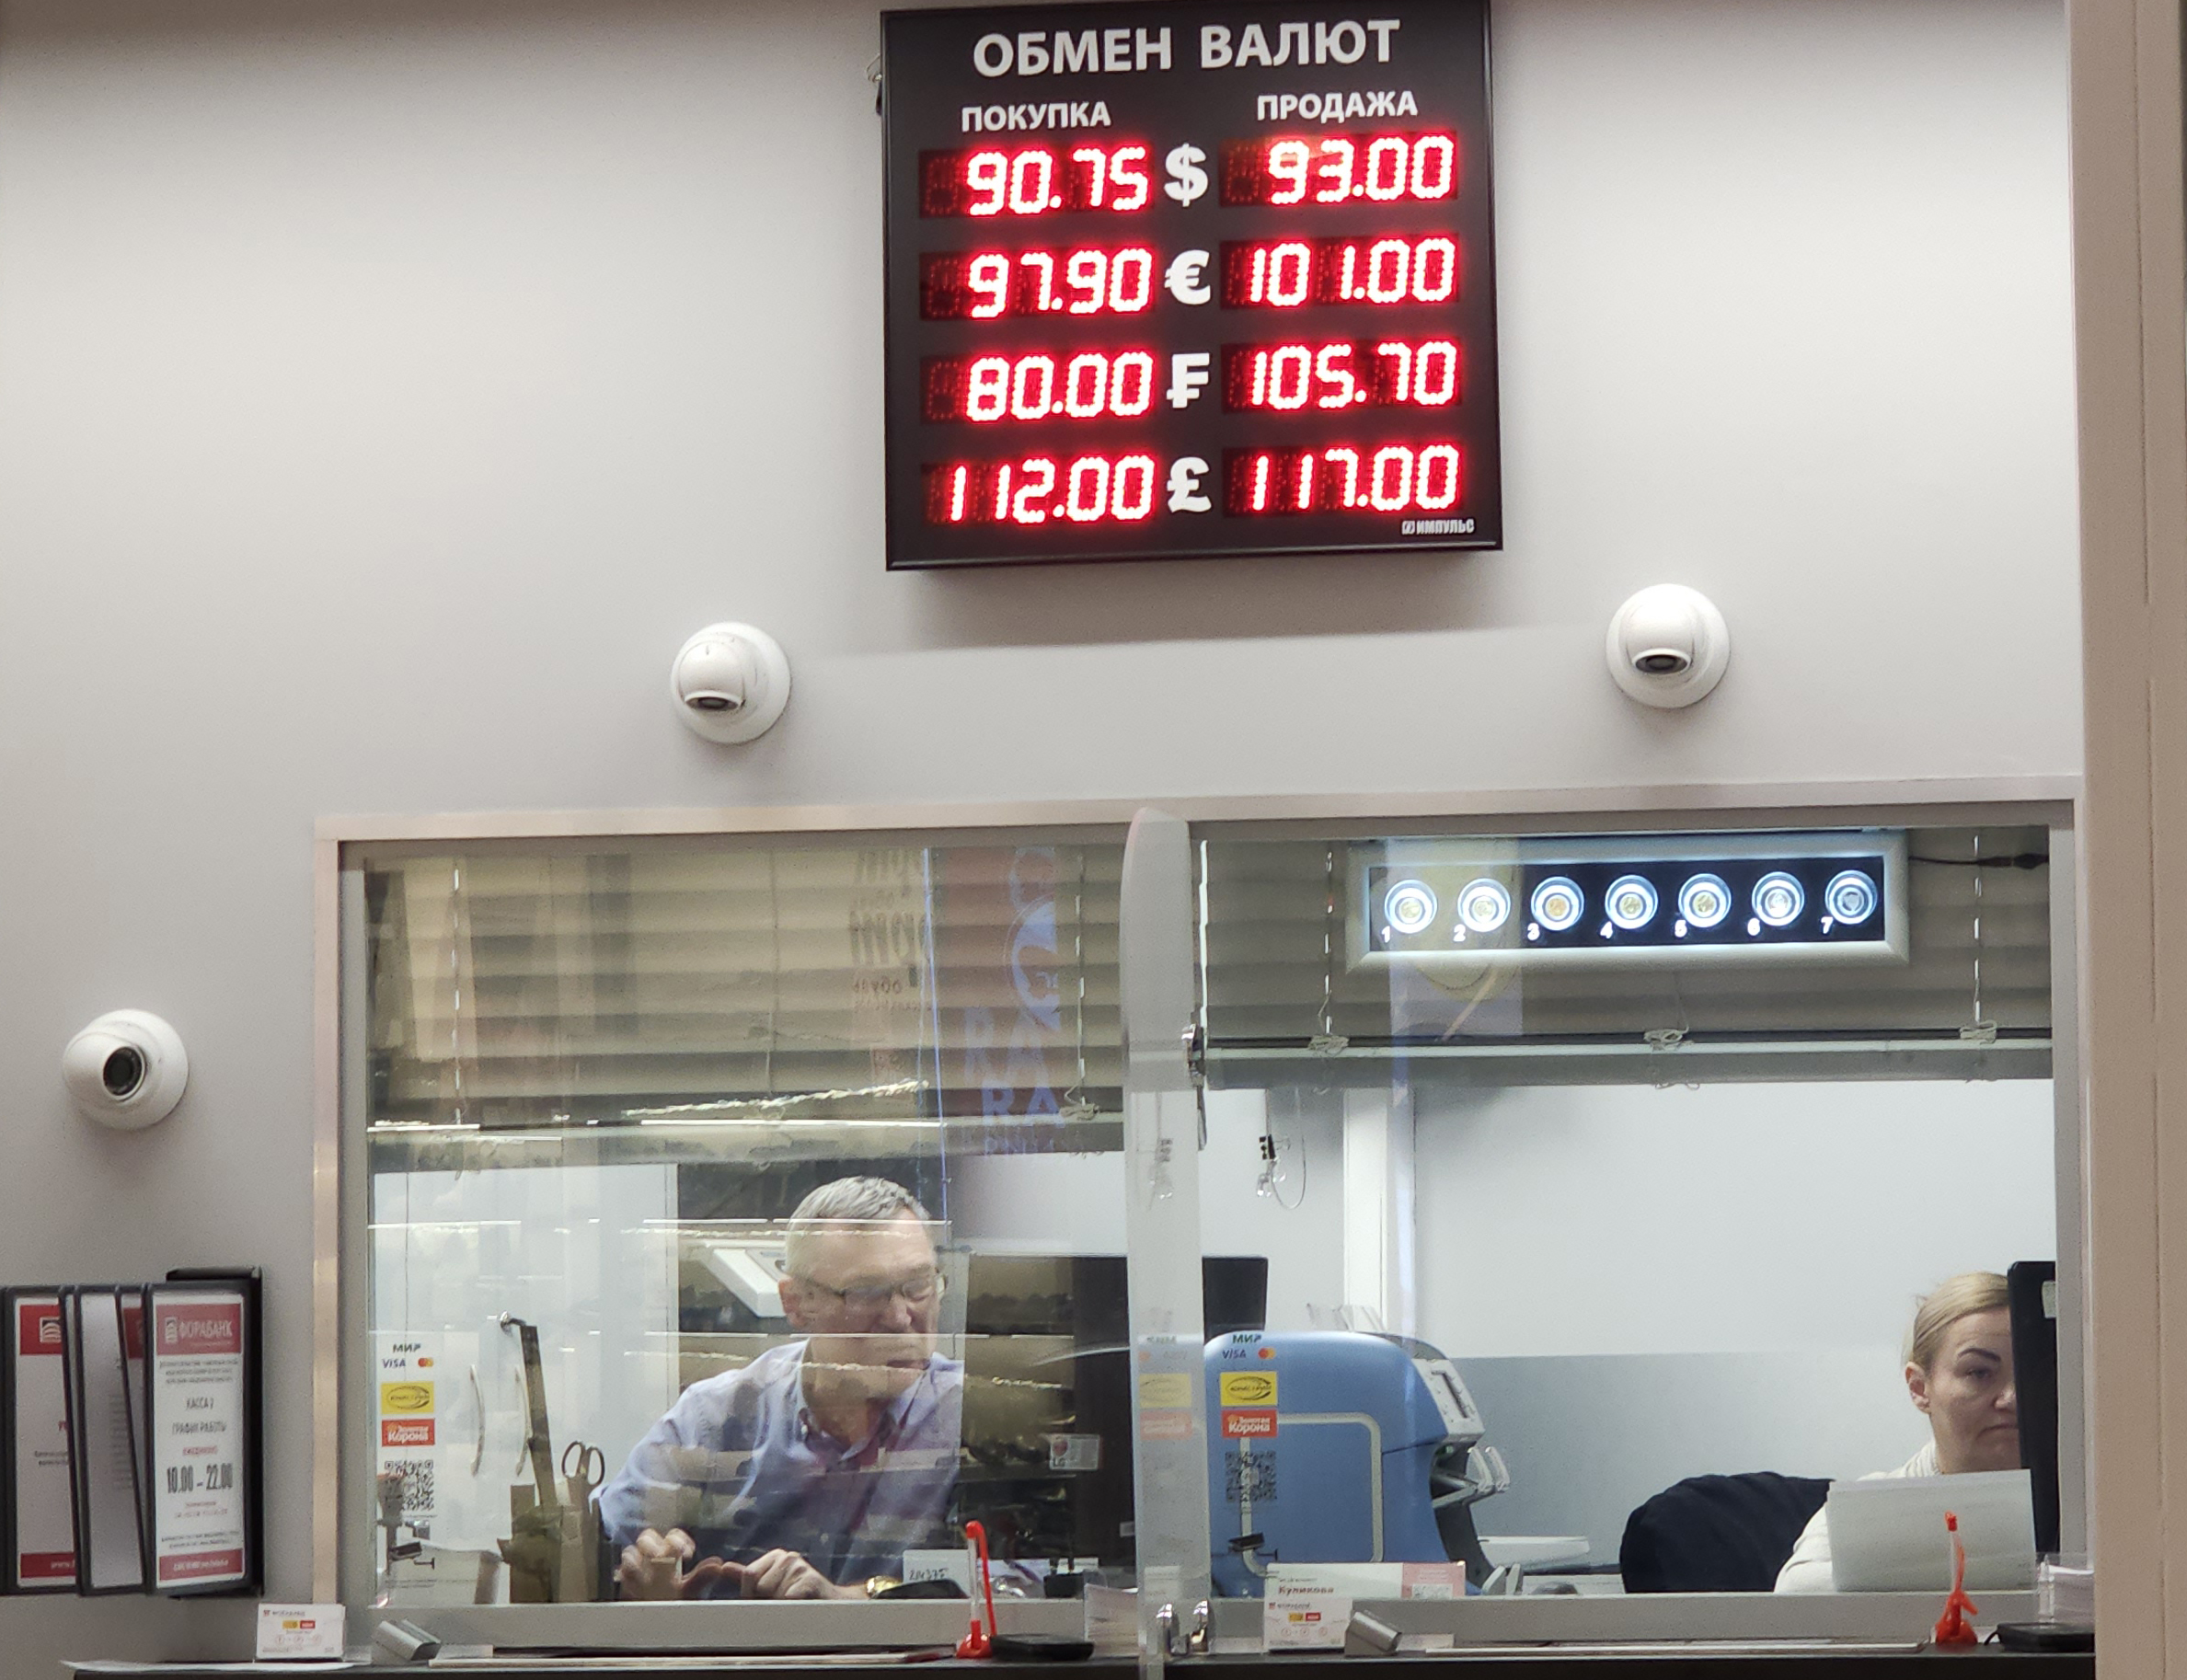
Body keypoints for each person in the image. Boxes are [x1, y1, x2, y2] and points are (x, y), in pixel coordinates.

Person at [601, 1176, 961, 1600]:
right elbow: (598, 1555)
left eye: (918, 1286)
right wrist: (638, 1584)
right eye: (867, 1293)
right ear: (796, 1303)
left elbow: (1026, 1584)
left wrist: (851, 1600)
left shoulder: (966, 1416)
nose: (901, 1318)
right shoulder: (713, 1420)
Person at [1773, 1271, 2020, 1593]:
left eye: (2031, 1370)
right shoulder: (1872, 1505)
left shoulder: (2095, 1502)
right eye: (1979, 1373)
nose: (2012, 1398)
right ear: (1919, 1388)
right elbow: (1796, 1591)